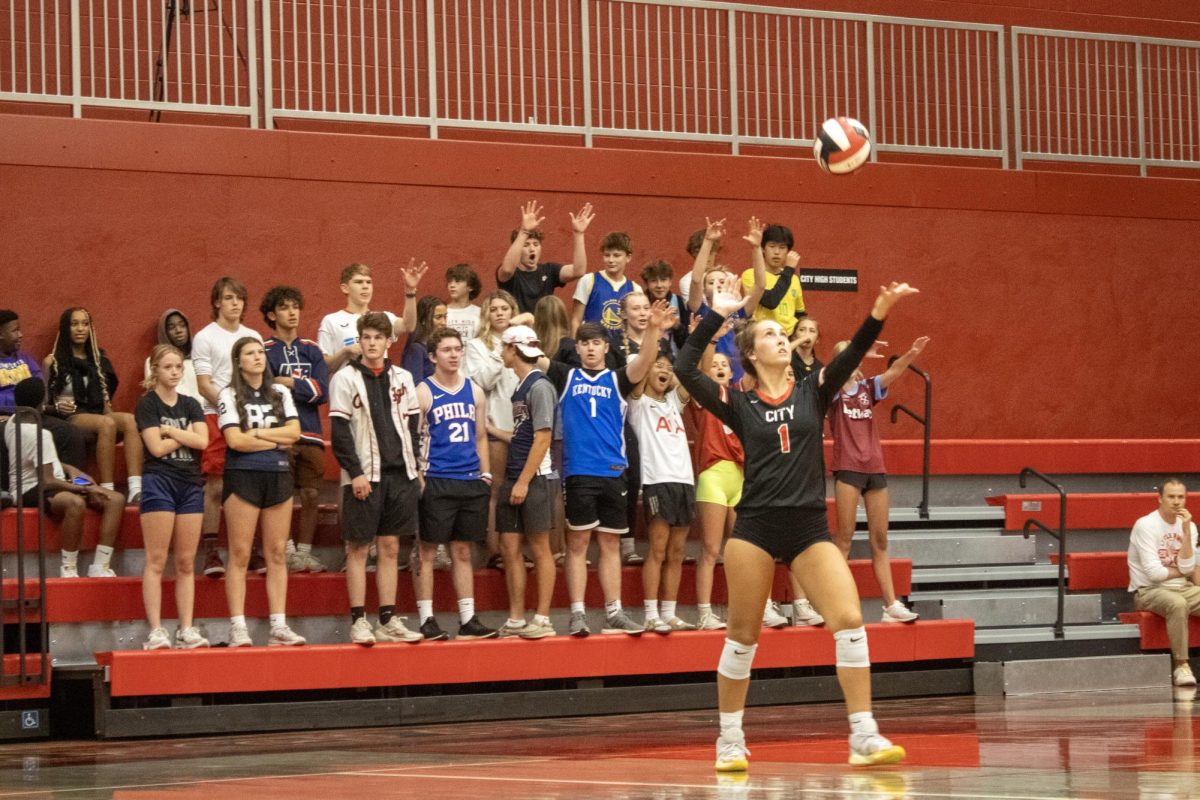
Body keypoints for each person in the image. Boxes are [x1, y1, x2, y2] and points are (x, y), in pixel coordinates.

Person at [675, 273, 919, 771]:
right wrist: (718, 314)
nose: (780, 338)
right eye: (769, 334)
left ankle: (863, 733)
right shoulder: (736, 403)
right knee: (743, 637)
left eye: (781, 334)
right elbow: (684, 365)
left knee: (850, 622)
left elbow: (851, 358)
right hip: (756, 529)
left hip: (809, 527)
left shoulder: (813, 390)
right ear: (751, 353)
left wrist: (879, 310)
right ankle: (729, 739)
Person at [538, 302, 672, 637]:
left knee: (611, 544)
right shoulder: (565, 374)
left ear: (605, 347)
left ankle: (614, 611)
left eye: (596, 343)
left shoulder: (618, 379)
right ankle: (578, 613)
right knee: (579, 543)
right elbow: (530, 353)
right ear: (577, 347)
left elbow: (644, 362)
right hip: (579, 472)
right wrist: (517, 328)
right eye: (584, 343)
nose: (590, 348)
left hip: (614, 470)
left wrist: (653, 328)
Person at [329, 313, 424, 646]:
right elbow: (340, 433)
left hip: (401, 474)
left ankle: (387, 619)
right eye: (366, 337)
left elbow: (414, 428)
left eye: (378, 337)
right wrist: (354, 473)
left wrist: (418, 468)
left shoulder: (403, 377)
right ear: (361, 340)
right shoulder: (344, 378)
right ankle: (359, 620)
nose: (371, 343)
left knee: (390, 546)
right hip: (364, 476)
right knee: (357, 548)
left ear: (389, 341)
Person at [829, 336, 930, 624]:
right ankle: (834, 601)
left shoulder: (867, 387)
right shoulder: (832, 390)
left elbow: (894, 372)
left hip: (874, 467)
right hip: (847, 468)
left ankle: (890, 606)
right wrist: (856, 350)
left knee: (881, 539)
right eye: (846, 355)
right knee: (844, 539)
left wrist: (911, 351)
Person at [218, 337, 305, 647]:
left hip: (279, 475)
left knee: (277, 553)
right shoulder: (228, 394)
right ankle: (237, 626)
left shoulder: (280, 392)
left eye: (260, 352)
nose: (257, 357)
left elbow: (294, 433)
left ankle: (278, 625)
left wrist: (256, 433)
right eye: (249, 353)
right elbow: (235, 442)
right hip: (243, 477)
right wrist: (274, 440)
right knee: (240, 553)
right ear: (238, 361)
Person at [413, 327, 498, 641]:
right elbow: (415, 438)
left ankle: (467, 619)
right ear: (433, 356)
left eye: (457, 349)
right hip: (436, 479)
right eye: (446, 350)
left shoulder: (474, 391)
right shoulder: (423, 391)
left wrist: (486, 473)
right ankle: (427, 619)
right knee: (426, 551)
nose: (453, 354)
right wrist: (420, 478)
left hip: (469, 479)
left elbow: (480, 436)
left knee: (462, 552)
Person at [4, 377, 125, 577]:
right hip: (30, 489)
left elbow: (43, 463)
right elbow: (47, 481)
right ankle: (68, 568)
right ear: (41, 403)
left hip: (57, 477)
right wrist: (84, 488)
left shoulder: (13, 421)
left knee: (116, 499)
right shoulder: (40, 435)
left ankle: (100, 566)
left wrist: (72, 471)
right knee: (75, 503)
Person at [136, 344, 211, 649]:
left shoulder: (191, 403)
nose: (175, 372)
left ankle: (187, 628)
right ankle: (156, 630)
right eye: (168, 367)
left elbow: (203, 441)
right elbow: (155, 448)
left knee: (185, 562)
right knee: (156, 559)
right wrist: (184, 436)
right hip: (159, 481)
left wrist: (172, 432)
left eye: (179, 367)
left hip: (189, 483)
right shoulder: (147, 404)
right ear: (155, 370)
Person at [192, 277, 262, 578]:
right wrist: (229, 406)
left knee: (252, 483)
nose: (235, 303)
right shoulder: (205, 337)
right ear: (217, 302)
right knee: (217, 485)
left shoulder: (252, 335)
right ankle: (210, 551)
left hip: (251, 415)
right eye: (229, 298)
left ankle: (254, 549)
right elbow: (204, 384)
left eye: (240, 298)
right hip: (216, 415)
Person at [493, 326, 558, 639]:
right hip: (514, 473)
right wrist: (492, 429)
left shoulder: (540, 386)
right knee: (508, 545)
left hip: (534, 478)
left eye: (504, 348)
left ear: (512, 349)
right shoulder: (520, 387)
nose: (501, 353)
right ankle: (517, 618)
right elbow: (522, 433)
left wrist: (522, 481)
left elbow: (543, 438)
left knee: (539, 547)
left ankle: (542, 618)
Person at [260, 286, 330, 575]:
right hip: (279, 434)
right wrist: (300, 387)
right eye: (285, 307)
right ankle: (284, 551)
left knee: (312, 493)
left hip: (311, 432)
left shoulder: (312, 349)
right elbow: (266, 390)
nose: (292, 313)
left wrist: (290, 383)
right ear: (272, 314)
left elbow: (322, 390)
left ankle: (303, 553)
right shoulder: (264, 349)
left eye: (295, 307)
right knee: (282, 494)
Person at [43, 307, 144, 501]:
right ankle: (108, 488)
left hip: (96, 413)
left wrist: (111, 414)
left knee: (130, 420)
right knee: (106, 424)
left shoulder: (98, 360)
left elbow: (105, 401)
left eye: (85, 324)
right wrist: (55, 407)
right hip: (69, 418)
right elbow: (44, 402)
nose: (80, 329)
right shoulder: (52, 361)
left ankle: (135, 489)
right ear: (65, 329)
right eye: (74, 324)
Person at [629, 353, 696, 633]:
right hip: (657, 480)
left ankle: (669, 612)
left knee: (677, 551)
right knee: (657, 550)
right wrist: (651, 353)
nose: (665, 370)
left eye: (669, 367)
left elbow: (692, 374)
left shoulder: (673, 402)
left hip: (684, 481)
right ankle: (650, 613)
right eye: (659, 365)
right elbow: (637, 374)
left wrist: (707, 336)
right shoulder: (639, 404)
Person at [464, 290, 524, 569]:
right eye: (494, 309)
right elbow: (481, 382)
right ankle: (494, 550)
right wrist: (503, 354)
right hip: (493, 424)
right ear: (486, 315)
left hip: (522, 424)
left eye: (505, 308)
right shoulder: (477, 346)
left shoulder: (524, 342)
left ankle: (515, 549)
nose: (500, 313)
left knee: (520, 489)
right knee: (496, 490)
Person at [688, 349, 742, 631]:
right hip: (713, 475)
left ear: (733, 373)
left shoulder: (740, 399)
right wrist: (710, 340)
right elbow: (700, 369)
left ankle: (745, 609)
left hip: (740, 476)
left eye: (725, 365)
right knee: (710, 549)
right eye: (715, 365)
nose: (720, 367)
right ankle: (705, 612)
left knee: (743, 549)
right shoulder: (704, 399)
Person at [1128, 478, 1200, 687]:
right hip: (1149, 591)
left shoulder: (1189, 526)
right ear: (1159, 498)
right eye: (1171, 496)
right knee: (1177, 604)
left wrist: (1186, 532)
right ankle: (1182, 666)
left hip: (1183, 588)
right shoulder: (1145, 525)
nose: (1177, 502)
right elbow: (1154, 574)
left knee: (1181, 598)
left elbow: (1188, 568)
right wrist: (1181, 571)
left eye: (1181, 497)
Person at [0, 309, 86, 473]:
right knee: (8, 434)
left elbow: (40, 388)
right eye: (15, 330)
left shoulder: (25, 359)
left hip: (33, 415)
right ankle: (13, 492)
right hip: (6, 419)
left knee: (70, 433)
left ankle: (75, 485)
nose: (20, 334)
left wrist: (52, 406)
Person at [687, 218, 763, 385]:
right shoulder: (700, 310)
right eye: (711, 282)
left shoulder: (740, 312)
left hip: (738, 378)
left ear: (729, 285)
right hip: (708, 375)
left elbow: (760, 285)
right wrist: (707, 242)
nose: (716, 285)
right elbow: (696, 279)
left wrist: (757, 249)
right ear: (705, 291)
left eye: (721, 281)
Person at [317, 261, 422, 374]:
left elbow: (408, 326)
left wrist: (410, 291)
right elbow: (323, 367)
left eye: (369, 282)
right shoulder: (331, 321)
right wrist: (345, 352)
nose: (365, 286)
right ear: (345, 288)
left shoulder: (382, 317)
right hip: (347, 388)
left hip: (379, 387)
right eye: (359, 282)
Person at [498, 200, 595, 314]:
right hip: (516, 330)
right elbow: (507, 269)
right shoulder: (510, 274)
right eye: (526, 245)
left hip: (544, 330)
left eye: (536, 244)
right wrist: (524, 231)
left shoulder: (549, 271)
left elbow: (578, 271)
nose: (532, 249)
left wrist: (579, 234)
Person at [571, 232, 641, 333]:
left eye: (616, 255)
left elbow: (638, 328)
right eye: (607, 255)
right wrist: (574, 347)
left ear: (628, 257)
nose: (611, 260)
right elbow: (576, 321)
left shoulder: (635, 289)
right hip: (593, 346)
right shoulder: (588, 280)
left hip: (622, 347)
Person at [743, 224, 805, 336]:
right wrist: (789, 269)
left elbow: (799, 313)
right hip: (764, 334)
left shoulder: (794, 279)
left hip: (790, 337)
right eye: (772, 246)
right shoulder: (750, 274)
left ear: (788, 251)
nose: (777, 252)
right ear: (763, 248)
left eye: (782, 247)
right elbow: (770, 301)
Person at [144, 309, 201, 403]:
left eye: (182, 325)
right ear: (164, 332)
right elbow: (156, 391)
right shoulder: (153, 361)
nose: (178, 330)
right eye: (171, 327)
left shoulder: (200, 359)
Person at [640, 259, 689, 355]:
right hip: (645, 356)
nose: (659, 285)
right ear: (646, 283)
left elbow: (685, 344)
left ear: (670, 282)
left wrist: (677, 326)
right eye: (654, 281)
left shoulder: (678, 302)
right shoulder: (640, 303)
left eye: (663, 280)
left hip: (672, 360)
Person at [400, 295, 447, 383]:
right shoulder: (416, 349)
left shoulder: (440, 346)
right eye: (438, 317)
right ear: (423, 320)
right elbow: (415, 385)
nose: (444, 322)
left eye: (445, 316)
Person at [679, 227, 722, 306]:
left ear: (715, 252)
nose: (704, 257)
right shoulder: (686, 281)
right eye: (698, 253)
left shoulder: (728, 276)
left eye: (709, 252)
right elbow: (695, 309)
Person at [444, 264, 483, 340]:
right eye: (450, 282)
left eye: (458, 282)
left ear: (470, 287)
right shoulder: (442, 312)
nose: (452, 285)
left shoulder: (480, 313)